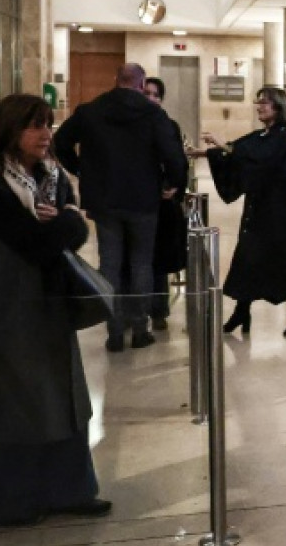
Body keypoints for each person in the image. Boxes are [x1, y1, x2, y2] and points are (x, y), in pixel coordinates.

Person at [0, 94, 111, 526]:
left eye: (48, 124)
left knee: (62, 398)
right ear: (9, 130)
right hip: (5, 306)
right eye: (35, 126)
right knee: (12, 403)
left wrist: (69, 222)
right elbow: (37, 243)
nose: (46, 134)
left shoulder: (51, 178)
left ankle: (69, 489)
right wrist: (70, 221)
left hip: (48, 304)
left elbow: (67, 233)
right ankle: (7, 500)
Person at [54, 63, 188, 352]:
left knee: (110, 263)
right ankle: (140, 329)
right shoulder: (153, 114)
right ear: (142, 85)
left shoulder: (90, 110)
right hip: (143, 201)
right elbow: (174, 155)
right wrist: (173, 184)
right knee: (142, 263)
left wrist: (81, 171)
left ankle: (114, 331)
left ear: (116, 81)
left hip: (105, 201)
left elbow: (60, 142)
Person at [189, 86, 286, 337]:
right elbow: (238, 151)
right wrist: (205, 153)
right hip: (260, 211)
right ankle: (242, 311)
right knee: (248, 258)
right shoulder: (262, 136)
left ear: (278, 107)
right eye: (258, 102)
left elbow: (257, 158)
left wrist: (219, 147)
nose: (259, 107)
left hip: (285, 214)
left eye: (265, 103)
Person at [141, 77, 189, 330]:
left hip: (161, 202)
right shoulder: (131, 125)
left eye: (156, 95)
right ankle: (133, 312)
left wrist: (174, 186)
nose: (152, 98)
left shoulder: (169, 125)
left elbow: (178, 160)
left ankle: (159, 310)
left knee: (158, 259)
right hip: (138, 199)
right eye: (147, 93)